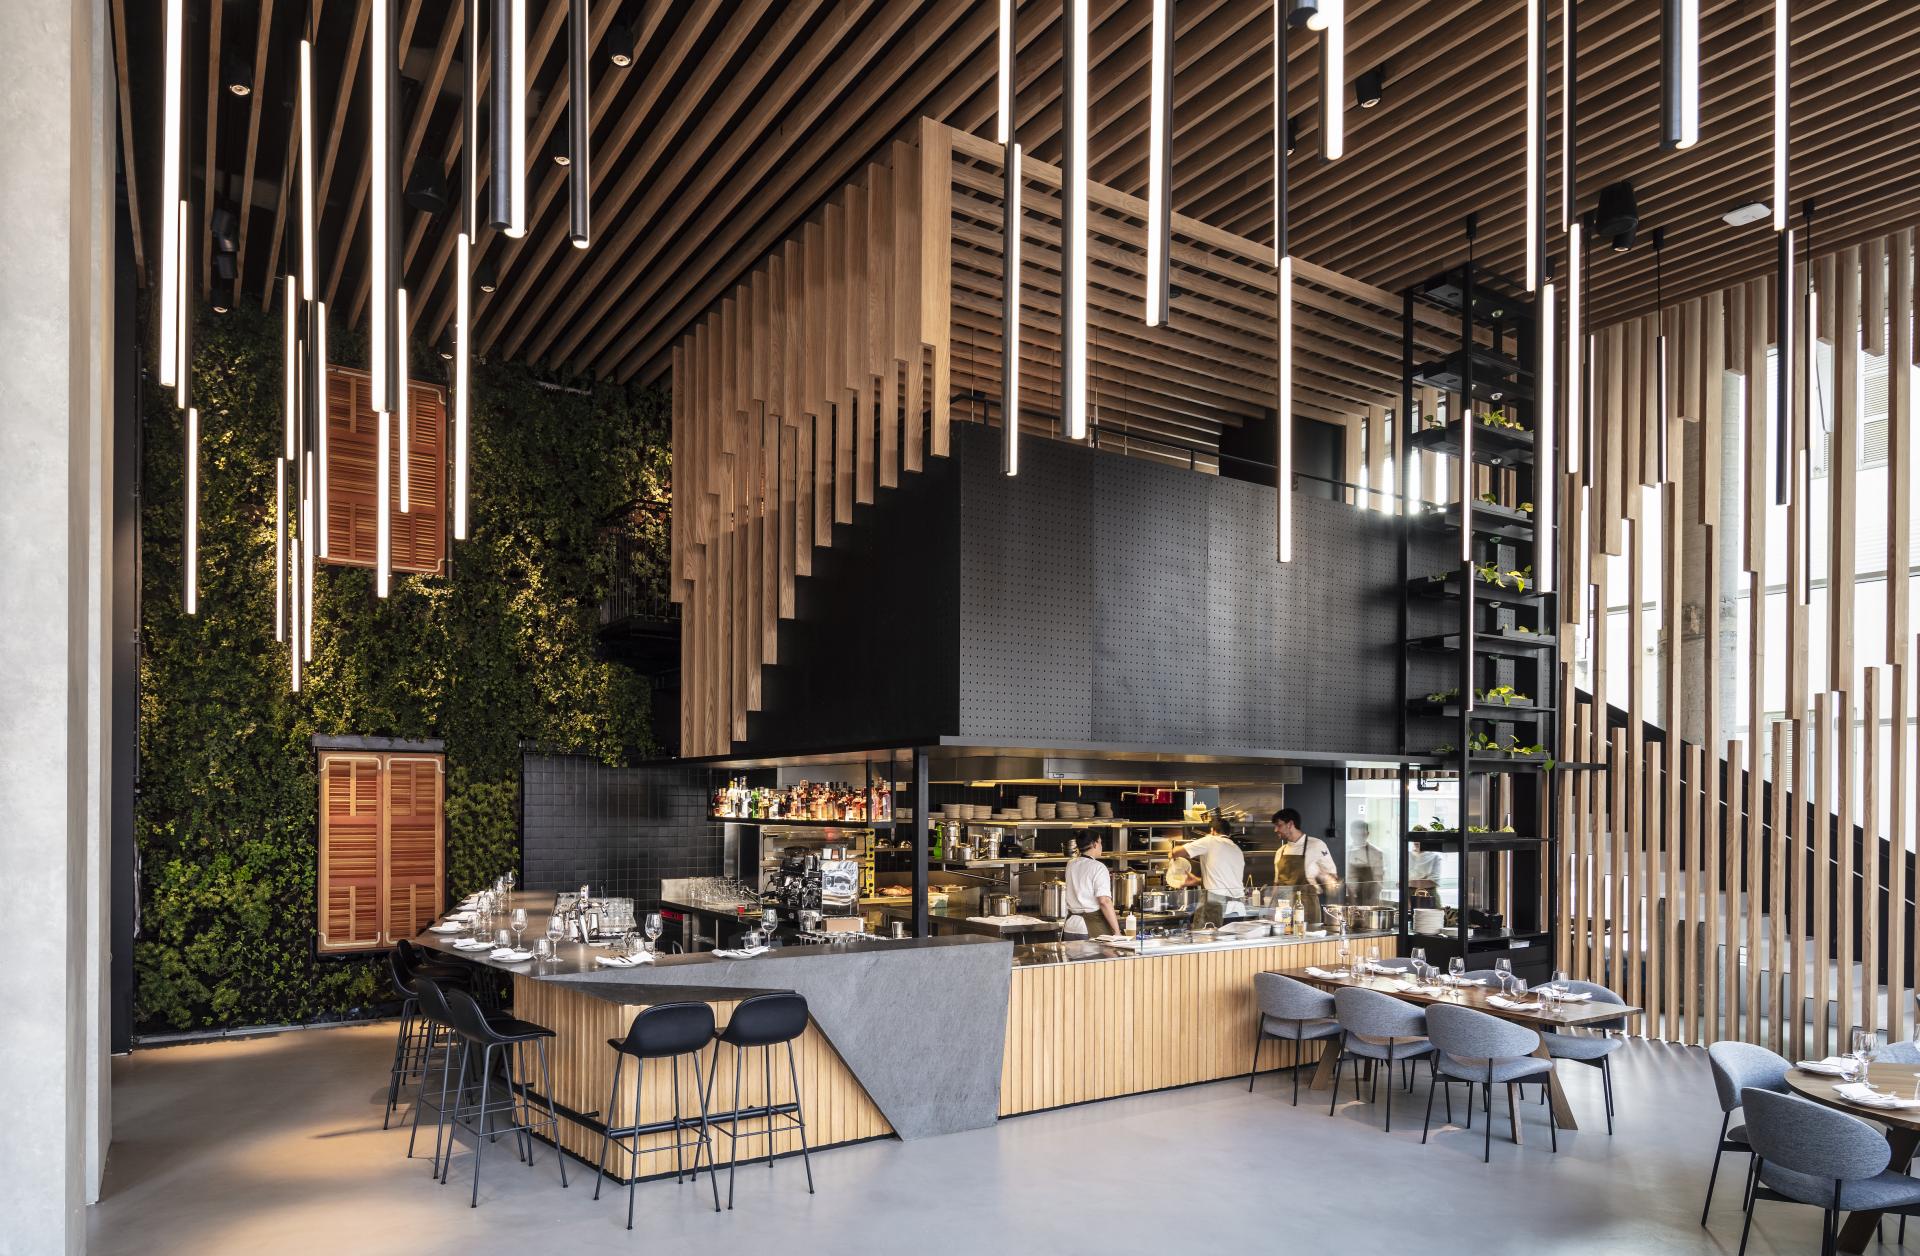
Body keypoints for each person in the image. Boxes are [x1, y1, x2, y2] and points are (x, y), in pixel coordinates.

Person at [1168, 815, 1246, 927]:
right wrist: (1198, 881)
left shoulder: (1210, 840)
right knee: (1230, 939)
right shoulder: (1237, 849)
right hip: (1238, 903)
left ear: (1212, 831)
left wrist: (1171, 854)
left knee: (1205, 937)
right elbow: (1224, 879)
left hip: (1215, 902)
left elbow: (1177, 852)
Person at [1270, 808, 1340, 931]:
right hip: (1283, 907)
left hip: (1306, 906)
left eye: (1279, 825)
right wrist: (1271, 908)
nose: (1276, 830)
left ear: (1290, 824)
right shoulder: (1280, 851)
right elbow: (1276, 884)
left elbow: (1332, 877)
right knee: (1284, 939)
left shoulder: (1316, 845)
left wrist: (1325, 880)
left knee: (1306, 943)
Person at [1062, 830, 1121, 939]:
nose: (1101, 846)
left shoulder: (1071, 864)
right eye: (1100, 842)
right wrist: (1117, 931)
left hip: (1070, 925)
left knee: (1072, 956)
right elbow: (1104, 901)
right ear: (1094, 844)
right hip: (1090, 926)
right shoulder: (1099, 867)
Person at [1345, 820, 1387, 906]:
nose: (1359, 837)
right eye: (1356, 835)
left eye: (1362, 835)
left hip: (1370, 898)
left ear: (1367, 834)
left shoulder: (1376, 852)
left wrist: (1373, 898)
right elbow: (1346, 878)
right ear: (1351, 834)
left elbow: (1379, 879)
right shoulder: (1346, 851)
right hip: (1350, 897)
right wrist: (1351, 895)